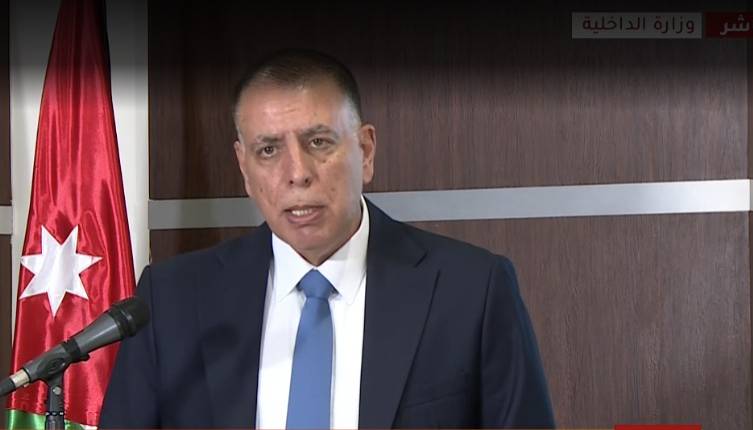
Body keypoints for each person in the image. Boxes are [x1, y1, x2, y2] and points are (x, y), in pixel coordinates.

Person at [99, 49, 555, 428]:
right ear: (244, 168)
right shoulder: (172, 300)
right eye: (268, 150)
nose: (297, 173)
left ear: (366, 151)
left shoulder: (473, 290)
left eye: (318, 142)